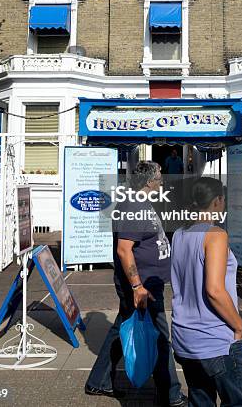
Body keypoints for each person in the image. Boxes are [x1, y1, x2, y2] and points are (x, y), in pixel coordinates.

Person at [85, 161, 186, 407]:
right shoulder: (132, 204)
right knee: (161, 336)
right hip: (143, 287)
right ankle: (170, 394)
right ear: (150, 181)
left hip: (147, 283)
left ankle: (98, 381)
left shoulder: (140, 201)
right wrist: (136, 287)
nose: (162, 179)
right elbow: (124, 250)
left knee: (121, 329)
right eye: (160, 176)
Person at [171, 177, 242, 407]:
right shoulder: (215, 235)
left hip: (185, 337)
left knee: (200, 399)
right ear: (217, 201)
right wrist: (238, 325)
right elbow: (215, 291)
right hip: (215, 339)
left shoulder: (179, 234)